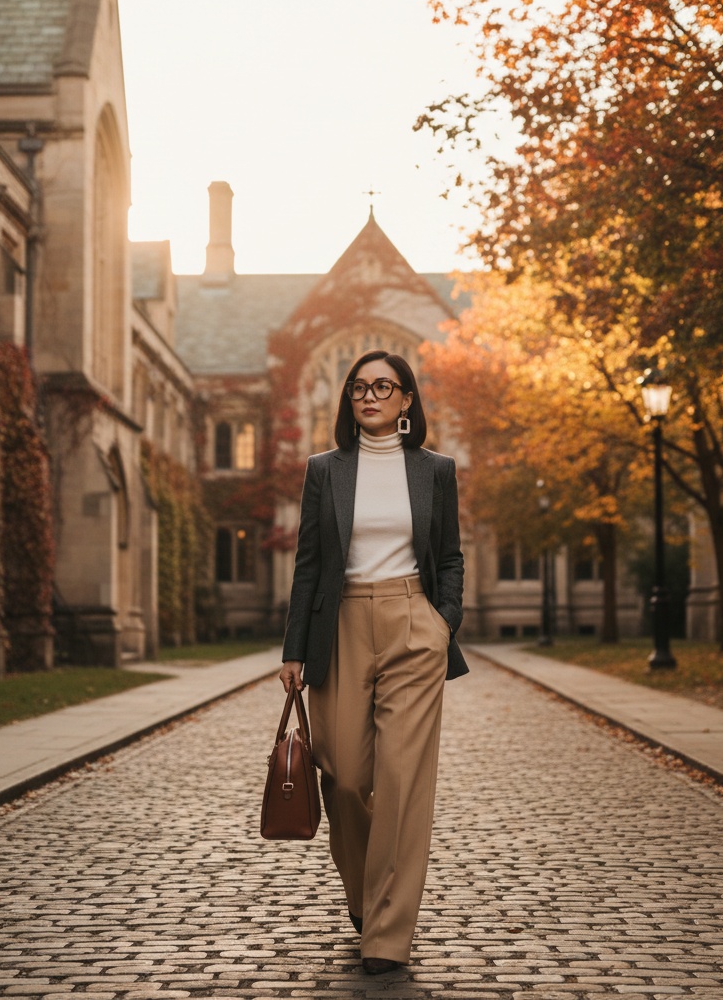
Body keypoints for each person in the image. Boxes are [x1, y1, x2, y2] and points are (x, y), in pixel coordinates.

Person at [279, 349, 467, 976]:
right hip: (342, 624)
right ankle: (364, 896)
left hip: (415, 625)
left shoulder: (435, 470)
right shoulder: (325, 470)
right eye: (359, 387)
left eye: (385, 387)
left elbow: (449, 556)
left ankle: (388, 934)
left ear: (408, 400)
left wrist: (443, 623)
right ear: (348, 399)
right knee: (344, 775)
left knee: (403, 781)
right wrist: (294, 650)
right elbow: (308, 564)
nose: (370, 396)